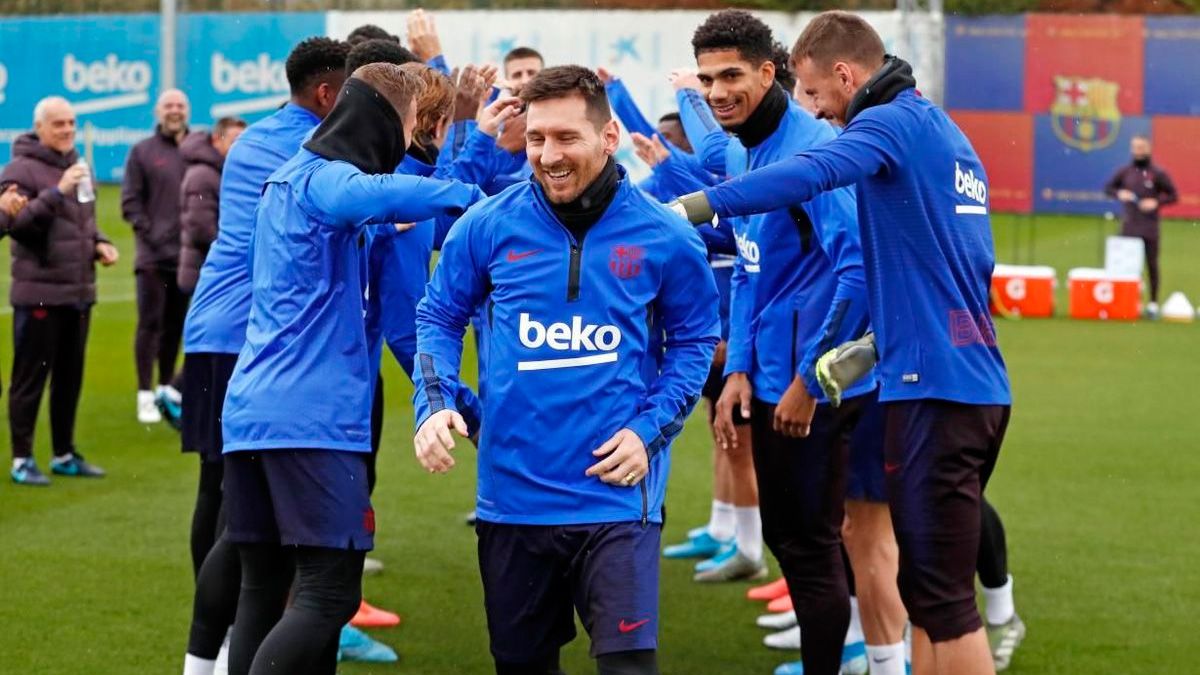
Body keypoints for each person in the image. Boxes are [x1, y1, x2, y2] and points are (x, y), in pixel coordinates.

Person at [673, 11, 1012, 675]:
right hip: (962, 380)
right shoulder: (945, 133)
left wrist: (689, 208)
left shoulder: (884, 124)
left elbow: (812, 174)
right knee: (921, 586)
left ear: (845, 75)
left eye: (814, 94)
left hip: (935, 389)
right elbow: (966, 271)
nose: (816, 112)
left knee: (941, 601)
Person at [413, 65, 719, 675]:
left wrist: (649, 431)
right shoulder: (487, 224)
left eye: (565, 138)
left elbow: (694, 343)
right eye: (536, 138)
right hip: (513, 500)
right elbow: (439, 316)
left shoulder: (665, 235)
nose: (548, 155)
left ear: (608, 139)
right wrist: (435, 400)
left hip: (616, 500)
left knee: (630, 667)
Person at [220, 64, 483, 675]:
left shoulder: (287, 178)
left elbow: (392, 208)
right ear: (382, 124)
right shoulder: (327, 181)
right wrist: (486, 198)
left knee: (263, 589)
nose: (409, 139)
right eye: (410, 126)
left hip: (251, 413)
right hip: (310, 418)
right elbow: (380, 195)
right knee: (330, 593)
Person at [180, 36, 350, 675]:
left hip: (235, 335)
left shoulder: (268, 135)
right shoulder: (299, 146)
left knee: (238, 515)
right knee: (236, 519)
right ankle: (214, 653)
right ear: (330, 95)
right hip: (240, 338)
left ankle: (221, 651)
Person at [1, 96, 119, 486]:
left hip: (78, 292)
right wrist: (57, 192)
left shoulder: (75, 165)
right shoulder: (19, 170)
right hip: (39, 294)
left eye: (71, 123)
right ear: (39, 128)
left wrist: (99, 242)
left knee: (70, 379)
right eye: (59, 124)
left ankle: (64, 453)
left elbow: (81, 223)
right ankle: (21, 458)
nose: (67, 130)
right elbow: (18, 227)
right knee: (30, 379)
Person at [122, 88, 192, 423]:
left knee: (175, 327)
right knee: (149, 324)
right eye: (169, 106)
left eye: (180, 105)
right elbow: (130, 202)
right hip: (152, 258)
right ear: (157, 111)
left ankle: (166, 388)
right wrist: (151, 232)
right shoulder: (142, 151)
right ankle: (144, 393)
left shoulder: (197, 149)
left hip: (187, 258)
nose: (174, 111)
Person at [1104, 135, 1178, 318]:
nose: (1138, 151)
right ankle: (1125, 302)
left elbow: (1173, 195)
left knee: (1151, 264)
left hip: (1149, 227)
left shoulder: (1157, 173)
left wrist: (1156, 202)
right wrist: (1120, 193)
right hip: (1129, 226)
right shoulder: (1125, 172)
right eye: (1135, 147)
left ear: (1148, 149)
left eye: (1141, 147)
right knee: (1126, 266)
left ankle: (1152, 303)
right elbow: (1108, 189)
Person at [177, 116, 246, 296]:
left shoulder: (220, 171)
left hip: (212, 268)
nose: (240, 147)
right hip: (206, 270)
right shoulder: (203, 175)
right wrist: (236, 251)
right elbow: (201, 228)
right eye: (234, 141)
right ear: (216, 139)